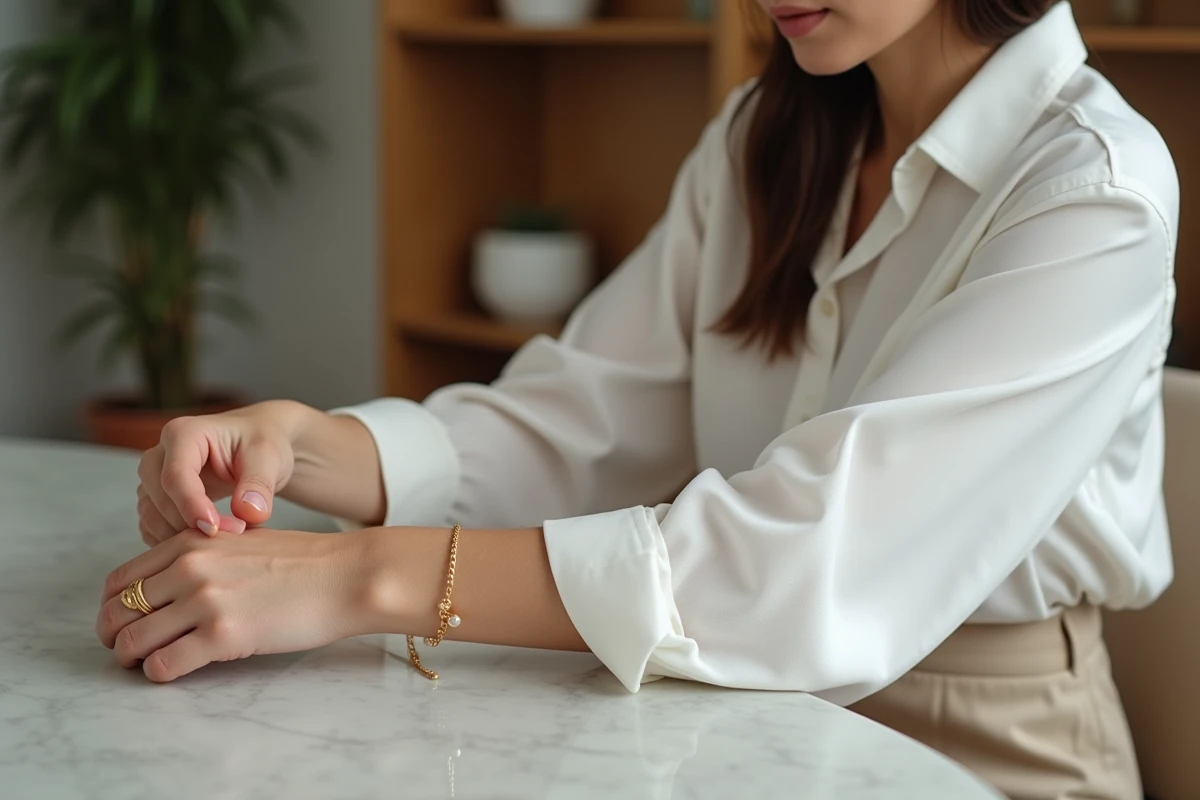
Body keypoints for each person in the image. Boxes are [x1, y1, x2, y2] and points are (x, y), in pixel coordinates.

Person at [95, 1, 1176, 797]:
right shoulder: (771, 131)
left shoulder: (1094, 190)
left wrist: (354, 576)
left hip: (983, 742)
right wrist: (314, 444)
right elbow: (589, 413)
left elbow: (797, 560)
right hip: (730, 715)